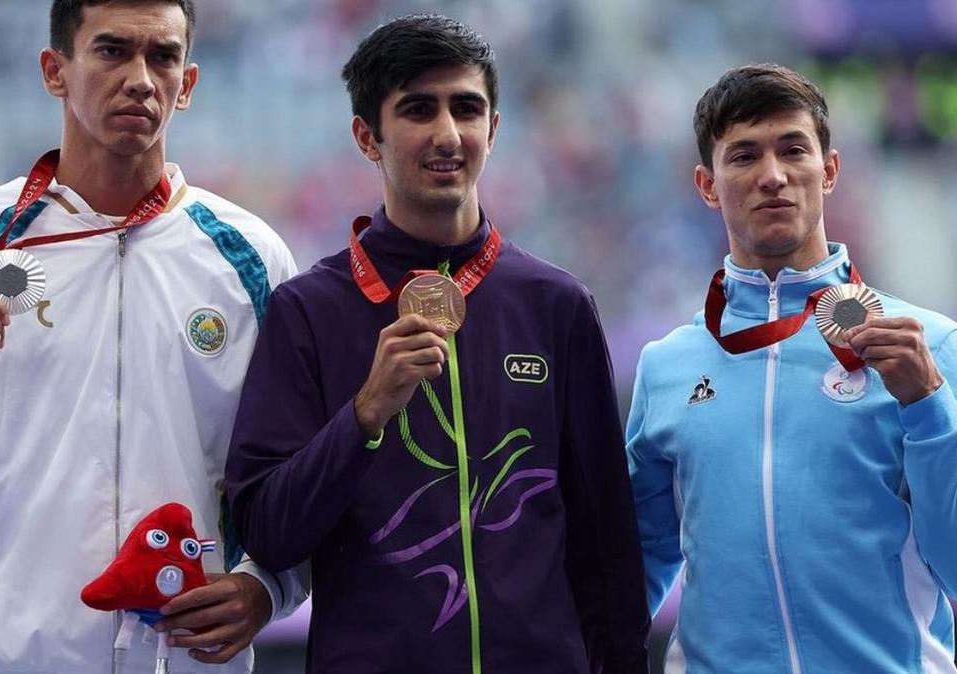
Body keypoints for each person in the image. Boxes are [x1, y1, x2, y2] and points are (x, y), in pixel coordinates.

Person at [0, 1, 306, 672]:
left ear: (188, 83)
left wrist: (267, 588)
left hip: (189, 661)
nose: (140, 79)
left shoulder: (252, 259)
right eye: (112, 51)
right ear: (54, 70)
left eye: (163, 56)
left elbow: (302, 477)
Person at [225, 13, 650, 674]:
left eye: (466, 109)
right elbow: (267, 533)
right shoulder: (308, 311)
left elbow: (607, 548)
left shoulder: (557, 305)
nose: (448, 133)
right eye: (419, 109)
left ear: (494, 128)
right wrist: (364, 414)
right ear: (367, 136)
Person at [626, 63, 957, 673]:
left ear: (829, 170)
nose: (773, 175)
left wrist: (929, 404)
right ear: (707, 184)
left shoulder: (927, 345)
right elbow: (628, 580)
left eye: (793, 150)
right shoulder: (666, 368)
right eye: (744, 155)